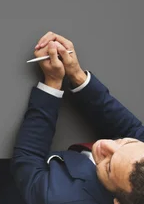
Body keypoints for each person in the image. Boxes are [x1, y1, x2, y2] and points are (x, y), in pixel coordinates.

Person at [12, 31, 144, 204]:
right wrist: (77, 75)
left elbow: (27, 157)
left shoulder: (59, 197)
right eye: (126, 142)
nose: (105, 144)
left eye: (109, 166)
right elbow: (131, 130)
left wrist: (52, 83)